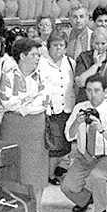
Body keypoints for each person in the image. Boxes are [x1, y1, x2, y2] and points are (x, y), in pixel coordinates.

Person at [61, 74, 107, 212]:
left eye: (97, 90)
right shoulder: (79, 108)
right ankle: (86, 199)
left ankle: (101, 211)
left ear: (104, 92)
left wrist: (102, 130)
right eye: (89, 91)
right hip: (84, 155)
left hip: (106, 156)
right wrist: (77, 122)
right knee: (67, 186)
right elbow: (68, 136)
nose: (92, 95)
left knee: (96, 176)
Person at [0, 37, 49, 212]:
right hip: (13, 126)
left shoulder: (41, 75)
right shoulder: (9, 74)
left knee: (36, 168)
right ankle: (14, 207)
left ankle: (37, 210)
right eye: (34, 54)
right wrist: (27, 101)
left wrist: (24, 103)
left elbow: (44, 100)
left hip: (36, 125)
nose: (37, 58)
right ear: (22, 55)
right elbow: (6, 100)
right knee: (14, 167)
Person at [40, 32, 76, 184]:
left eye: (61, 45)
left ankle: (59, 170)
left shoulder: (70, 63)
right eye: (55, 46)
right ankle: (50, 175)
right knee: (53, 145)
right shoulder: (42, 63)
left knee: (65, 143)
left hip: (67, 107)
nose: (58, 49)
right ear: (48, 48)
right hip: (51, 109)